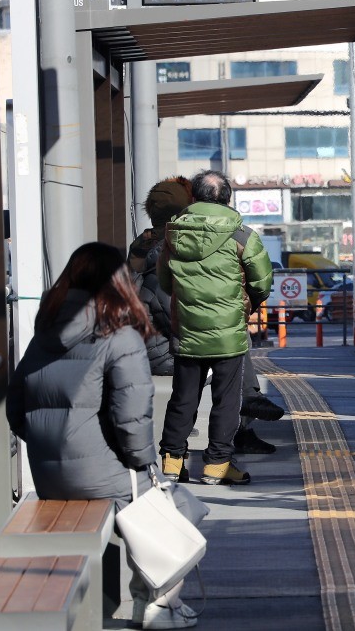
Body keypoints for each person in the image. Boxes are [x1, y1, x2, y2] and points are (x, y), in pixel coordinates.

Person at [7, 242, 208, 630]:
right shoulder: (119, 336)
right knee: (179, 509)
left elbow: (16, 411)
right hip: (100, 476)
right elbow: (132, 421)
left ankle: (143, 603)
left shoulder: (43, 336)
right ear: (120, 284)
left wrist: (56, 447)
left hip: (49, 475)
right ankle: (158, 606)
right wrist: (144, 467)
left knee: (148, 502)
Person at [158, 169, 273, 486]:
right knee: (227, 400)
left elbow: (166, 282)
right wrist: (246, 304)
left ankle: (172, 462)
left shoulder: (173, 234)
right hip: (228, 333)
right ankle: (217, 466)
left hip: (187, 330)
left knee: (183, 398)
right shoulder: (242, 236)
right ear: (228, 199)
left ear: (193, 199)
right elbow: (262, 281)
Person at [127, 176, 193, 376]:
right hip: (165, 356)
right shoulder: (168, 254)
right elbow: (174, 318)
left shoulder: (140, 246)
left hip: (141, 351)